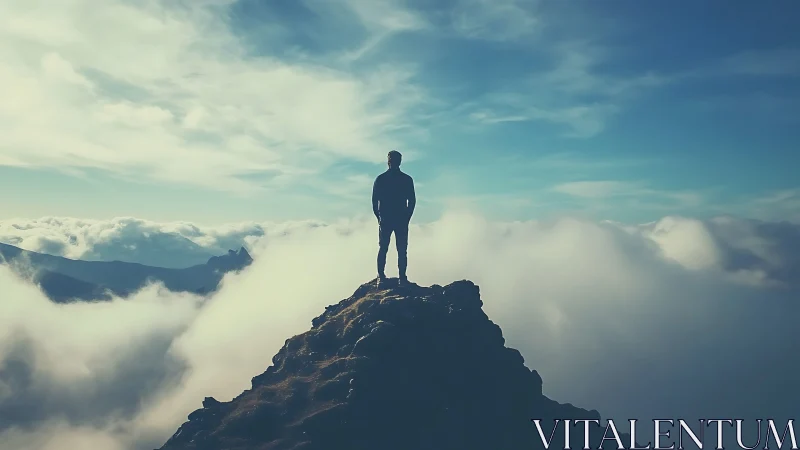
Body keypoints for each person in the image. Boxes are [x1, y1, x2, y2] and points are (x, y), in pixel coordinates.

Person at [372, 150, 415, 287]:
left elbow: (412, 200)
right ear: (388, 161)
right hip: (389, 219)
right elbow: (374, 201)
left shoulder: (402, 179)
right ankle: (383, 276)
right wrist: (379, 217)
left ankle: (400, 277)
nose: (393, 162)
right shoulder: (383, 179)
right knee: (387, 248)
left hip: (395, 219)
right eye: (392, 159)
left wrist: (406, 217)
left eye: (395, 160)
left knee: (399, 249)